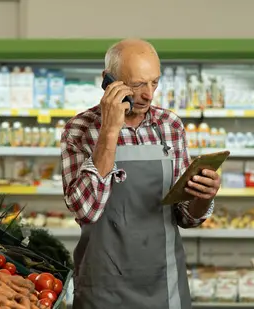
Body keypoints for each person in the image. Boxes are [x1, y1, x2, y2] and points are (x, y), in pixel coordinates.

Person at [60, 38, 222, 309]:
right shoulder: (80, 129)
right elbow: (85, 210)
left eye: (154, 82)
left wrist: (203, 197)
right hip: (103, 287)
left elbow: (185, 217)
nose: (149, 94)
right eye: (137, 85)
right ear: (108, 80)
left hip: (164, 283)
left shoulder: (170, 125)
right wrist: (110, 131)